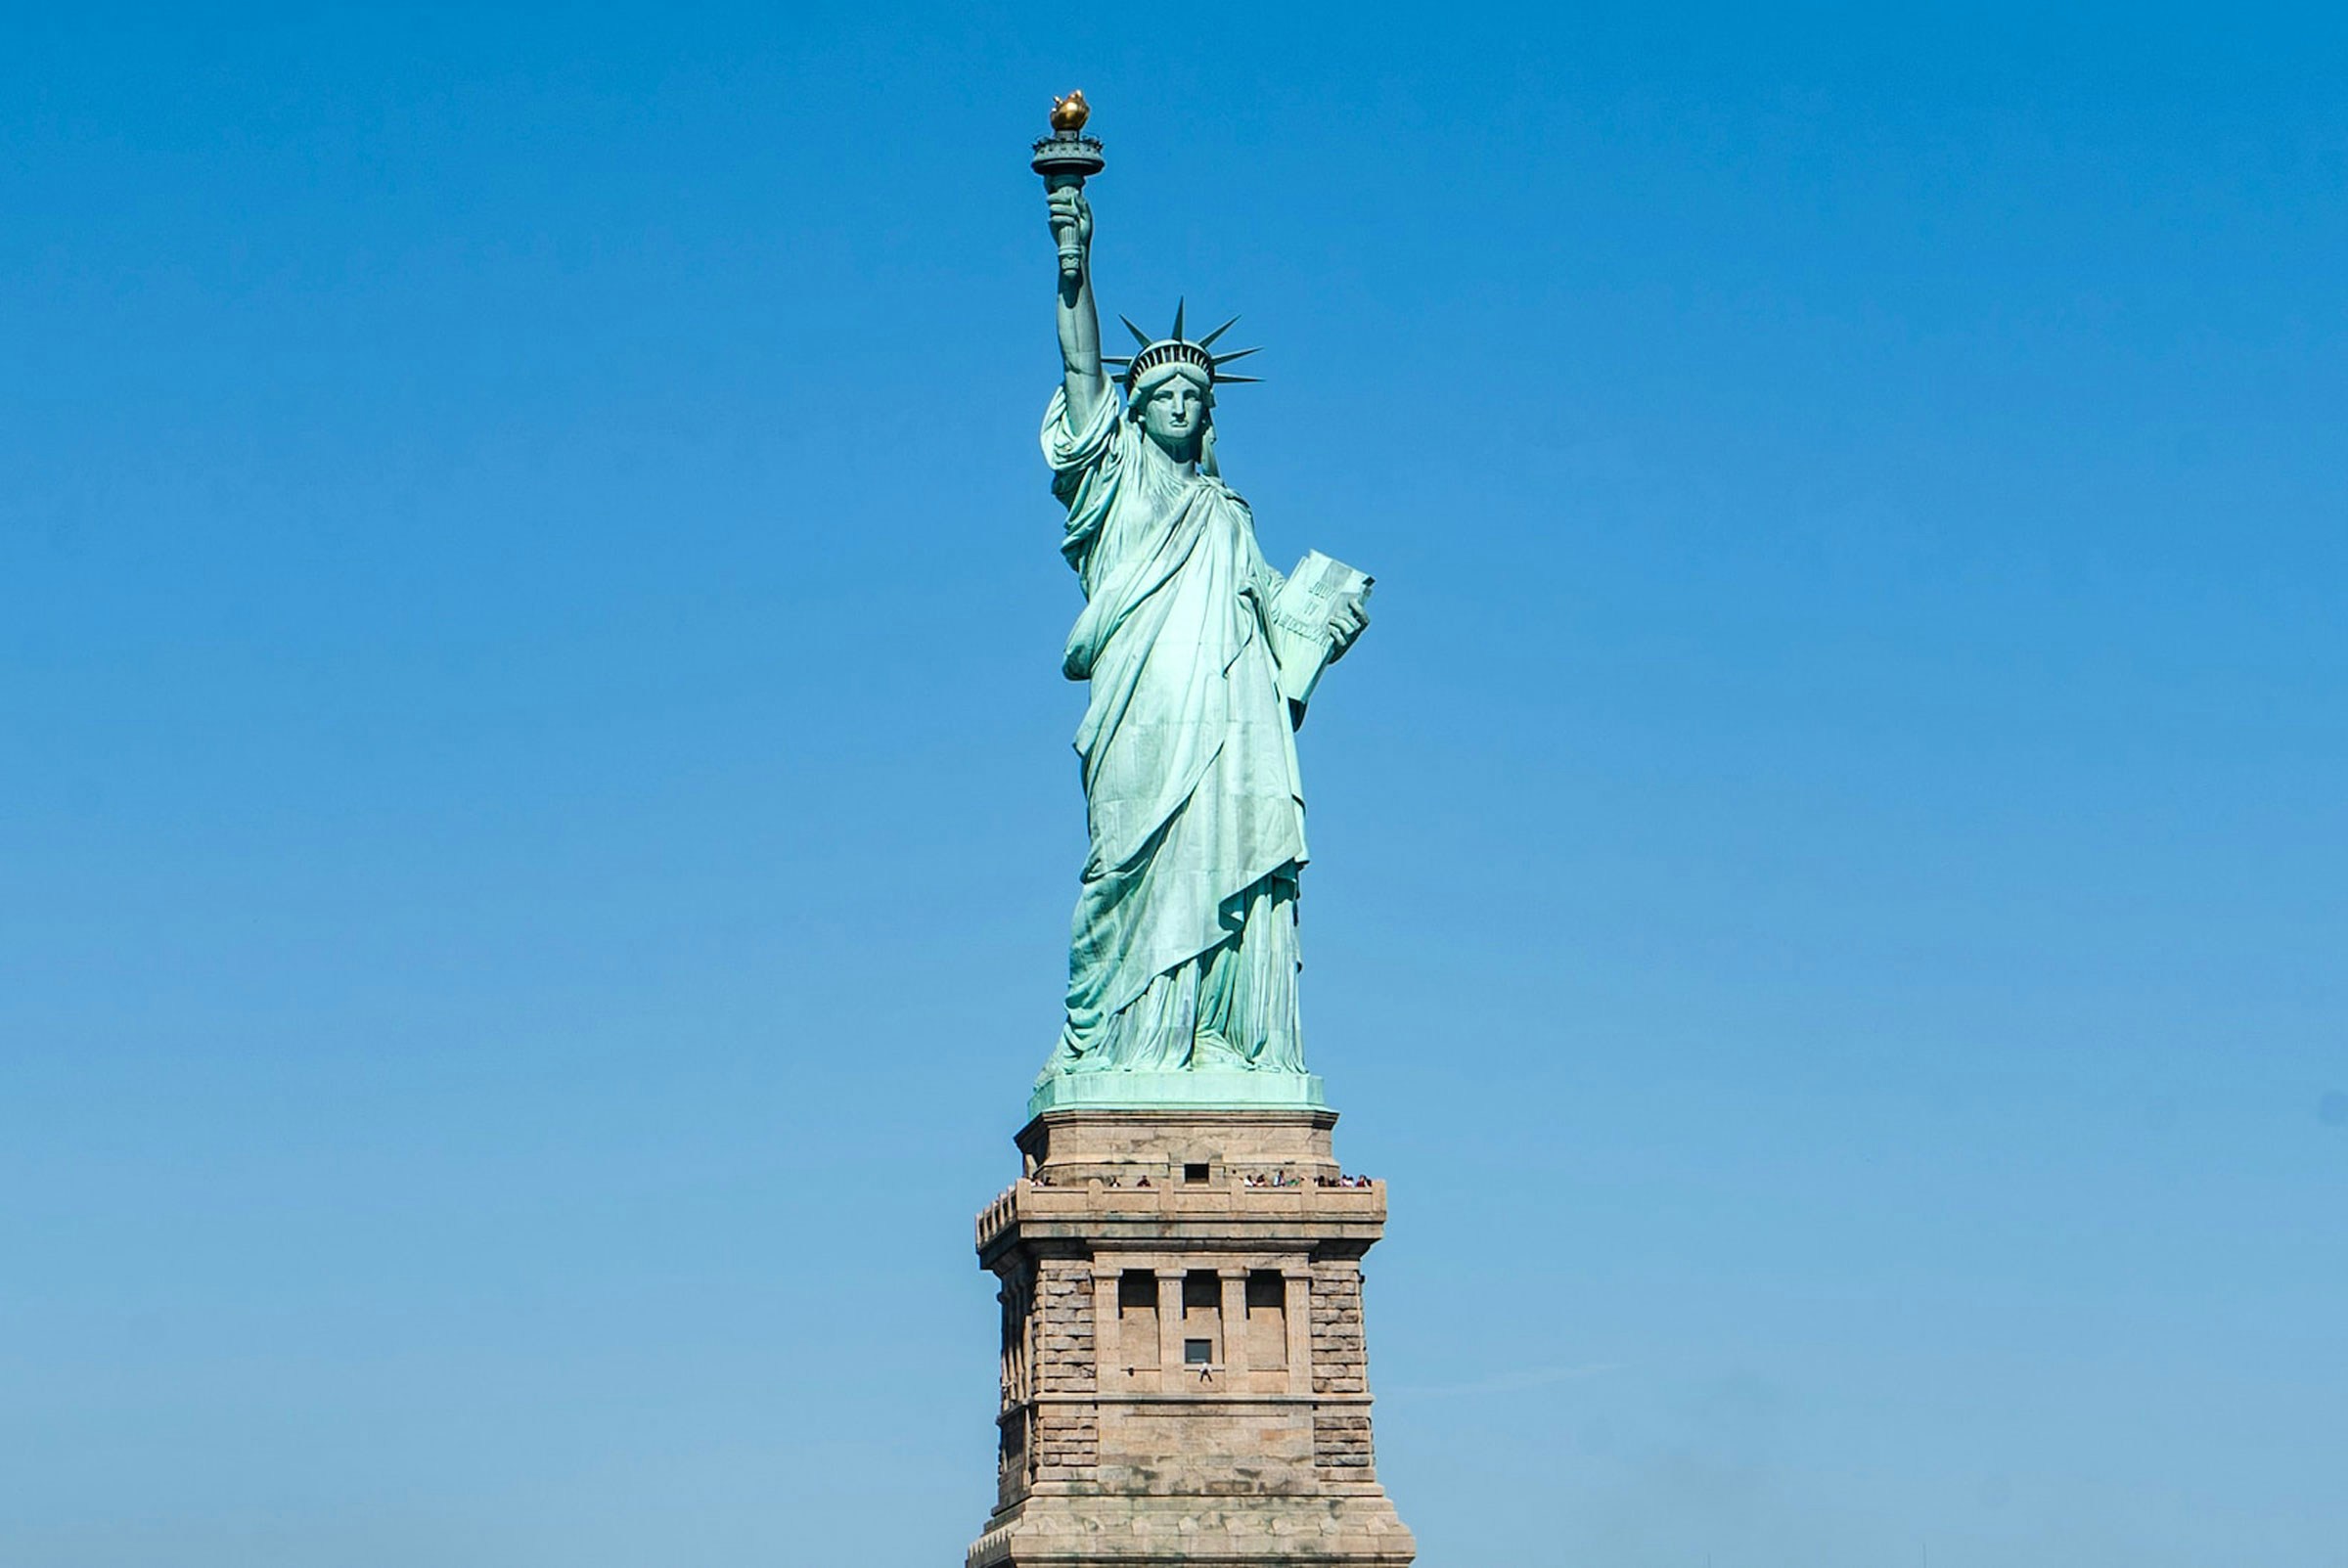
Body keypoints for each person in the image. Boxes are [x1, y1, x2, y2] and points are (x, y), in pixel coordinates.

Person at [1033, 181, 1367, 1085]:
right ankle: (1114, 1044)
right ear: (1134, 413)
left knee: (1231, 858)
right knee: (1124, 869)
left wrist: (1324, 621)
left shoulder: (1227, 514)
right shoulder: (1118, 486)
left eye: (1194, 393)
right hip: (1144, 711)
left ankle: (1221, 1041)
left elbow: (1273, 619)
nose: (1179, 403)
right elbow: (1079, 371)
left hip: (1230, 722)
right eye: (1162, 392)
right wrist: (1076, 264)